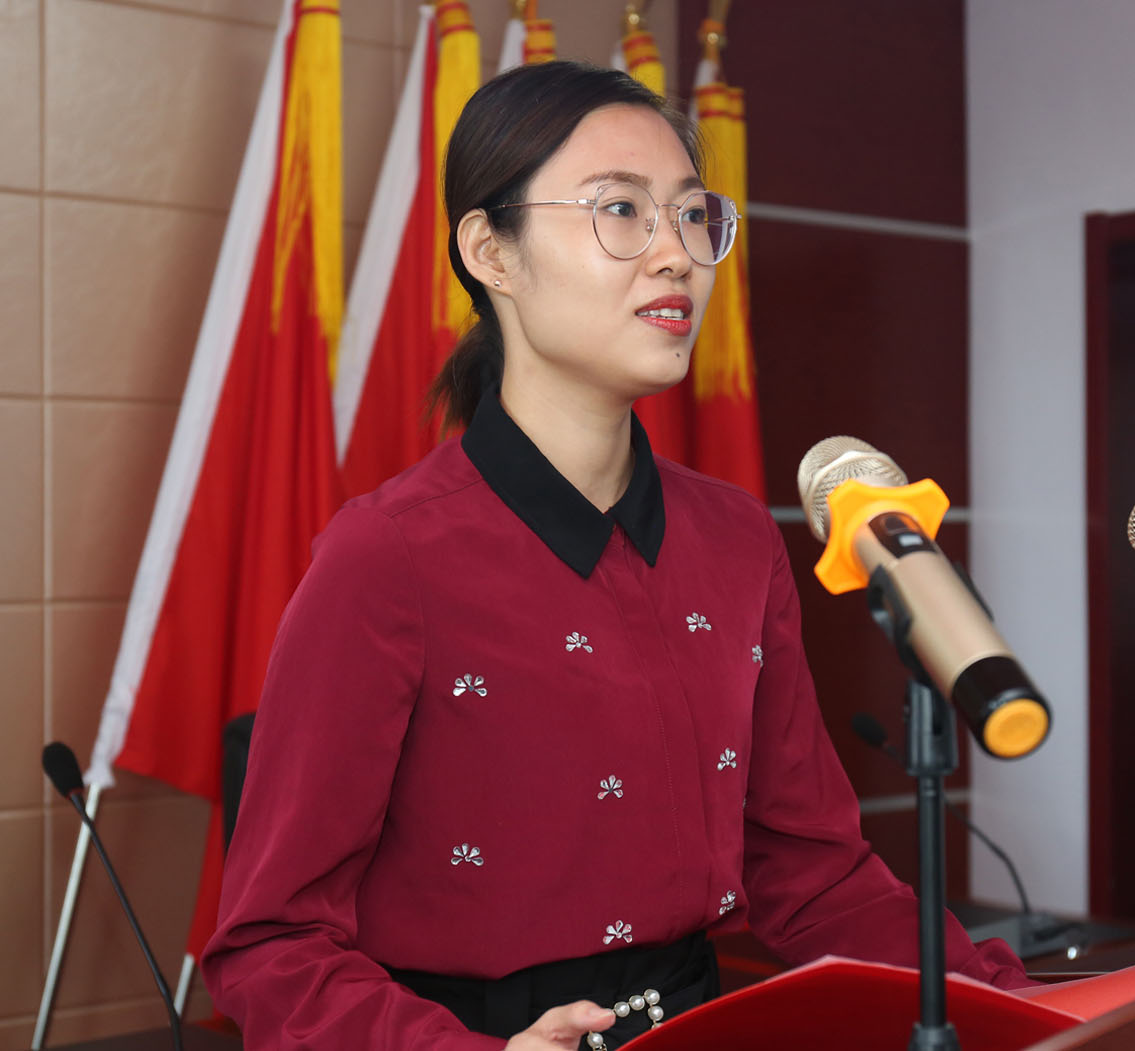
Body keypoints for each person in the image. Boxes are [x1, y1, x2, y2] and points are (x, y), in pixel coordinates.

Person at [205, 62, 1028, 1050]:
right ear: (491, 252)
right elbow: (271, 944)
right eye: (621, 211)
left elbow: (814, 876)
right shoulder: (388, 555)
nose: (676, 256)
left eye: (691, 215)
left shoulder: (736, 539)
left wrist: (1021, 1008)